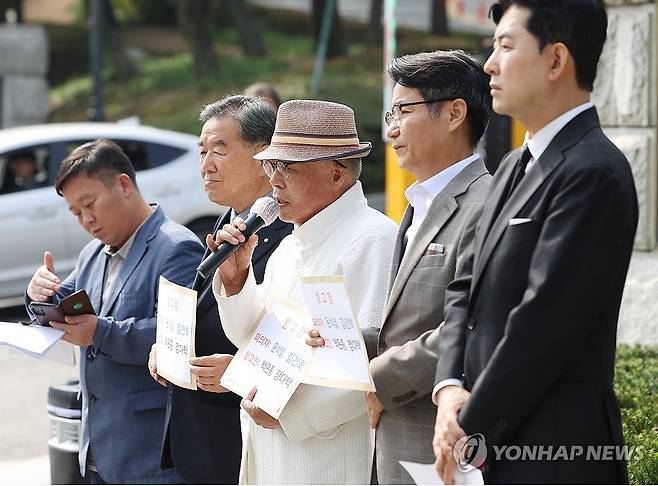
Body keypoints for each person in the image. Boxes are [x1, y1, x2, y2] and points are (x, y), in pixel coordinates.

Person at [432, 1, 638, 483]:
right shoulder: (511, 166)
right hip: (488, 446)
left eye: (506, 45)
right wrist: (448, 389)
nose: (489, 64)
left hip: (556, 454)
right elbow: (464, 287)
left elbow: (543, 324)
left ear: (555, 60)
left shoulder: (593, 172)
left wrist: (468, 424)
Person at [212, 99, 398, 484]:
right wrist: (236, 280)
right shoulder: (289, 244)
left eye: (288, 169)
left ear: (337, 173)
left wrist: (289, 411)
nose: (274, 181)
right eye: (271, 166)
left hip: (325, 458)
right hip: (272, 446)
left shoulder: (372, 240)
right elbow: (249, 337)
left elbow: (374, 366)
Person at [26, 139, 203, 484]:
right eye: (76, 213)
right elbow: (64, 301)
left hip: (151, 455)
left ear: (123, 185)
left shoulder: (176, 247)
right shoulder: (93, 253)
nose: (86, 220)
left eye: (89, 204)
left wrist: (100, 332)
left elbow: (179, 338)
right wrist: (39, 293)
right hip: (98, 450)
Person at [357, 50, 492, 484]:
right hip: (394, 447)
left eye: (403, 110)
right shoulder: (418, 205)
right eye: (390, 112)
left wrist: (377, 378)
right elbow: (408, 322)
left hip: (439, 449)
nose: (391, 128)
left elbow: (472, 324)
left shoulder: (485, 205)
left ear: (454, 113)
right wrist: (343, 342)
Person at [148, 95, 293, 484]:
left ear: (264, 156)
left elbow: (297, 341)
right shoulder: (221, 225)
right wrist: (168, 347)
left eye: (219, 150)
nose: (206, 166)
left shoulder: (292, 236)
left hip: (245, 444)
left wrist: (241, 372)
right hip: (196, 443)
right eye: (201, 151)